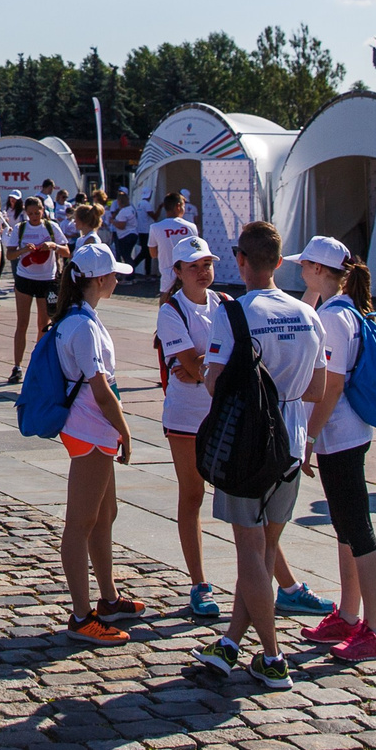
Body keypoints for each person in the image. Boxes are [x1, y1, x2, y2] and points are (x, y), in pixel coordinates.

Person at [192, 222, 327, 693]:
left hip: (247, 442)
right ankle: (230, 644)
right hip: (290, 438)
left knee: (249, 549)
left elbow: (212, 381)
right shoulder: (307, 314)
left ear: (241, 261)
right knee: (266, 550)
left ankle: (271, 655)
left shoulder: (235, 314)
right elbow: (317, 387)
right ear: (279, 261)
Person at [296, 238, 376, 663]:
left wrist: (310, 439)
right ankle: (349, 614)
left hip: (341, 433)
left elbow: (331, 386)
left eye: (306, 266)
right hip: (347, 431)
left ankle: (375, 629)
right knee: (344, 527)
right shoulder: (340, 307)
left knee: (358, 529)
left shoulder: (333, 318)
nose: (300, 270)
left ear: (318, 269)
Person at [52, 240, 137, 645]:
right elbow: (102, 391)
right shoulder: (83, 325)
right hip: (90, 429)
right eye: (114, 275)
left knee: (105, 514)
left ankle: (108, 598)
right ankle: (82, 615)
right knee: (80, 524)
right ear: (100, 279)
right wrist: (125, 429)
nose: (117, 280)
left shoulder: (79, 317)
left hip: (94, 429)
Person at [154, 233, 224, 623]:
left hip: (223, 411)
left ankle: (275, 579)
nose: (202, 272)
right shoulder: (172, 311)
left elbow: (198, 367)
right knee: (193, 495)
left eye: (207, 264)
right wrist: (204, 366)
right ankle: (199, 583)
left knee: (240, 497)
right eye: (194, 266)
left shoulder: (226, 304)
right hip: (186, 417)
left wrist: (199, 366)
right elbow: (190, 367)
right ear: (177, 272)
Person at [6, 195, 64, 383]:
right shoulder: (20, 228)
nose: (34, 217)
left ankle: (38, 363)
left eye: (37, 213)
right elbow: (9, 255)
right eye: (30, 213)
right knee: (22, 323)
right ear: (25, 213)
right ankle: (17, 366)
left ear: (42, 211)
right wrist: (24, 250)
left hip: (47, 279)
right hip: (25, 278)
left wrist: (52, 245)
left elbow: (67, 251)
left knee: (43, 324)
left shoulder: (51, 227)